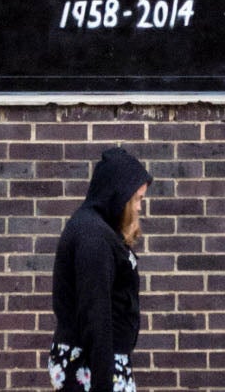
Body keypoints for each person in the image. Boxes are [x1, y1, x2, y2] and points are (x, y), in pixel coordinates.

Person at [50, 148, 152, 392]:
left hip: (100, 364)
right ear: (119, 195)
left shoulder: (98, 230)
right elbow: (96, 315)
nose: (139, 208)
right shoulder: (92, 236)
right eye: (137, 199)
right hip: (91, 367)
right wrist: (103, 383)